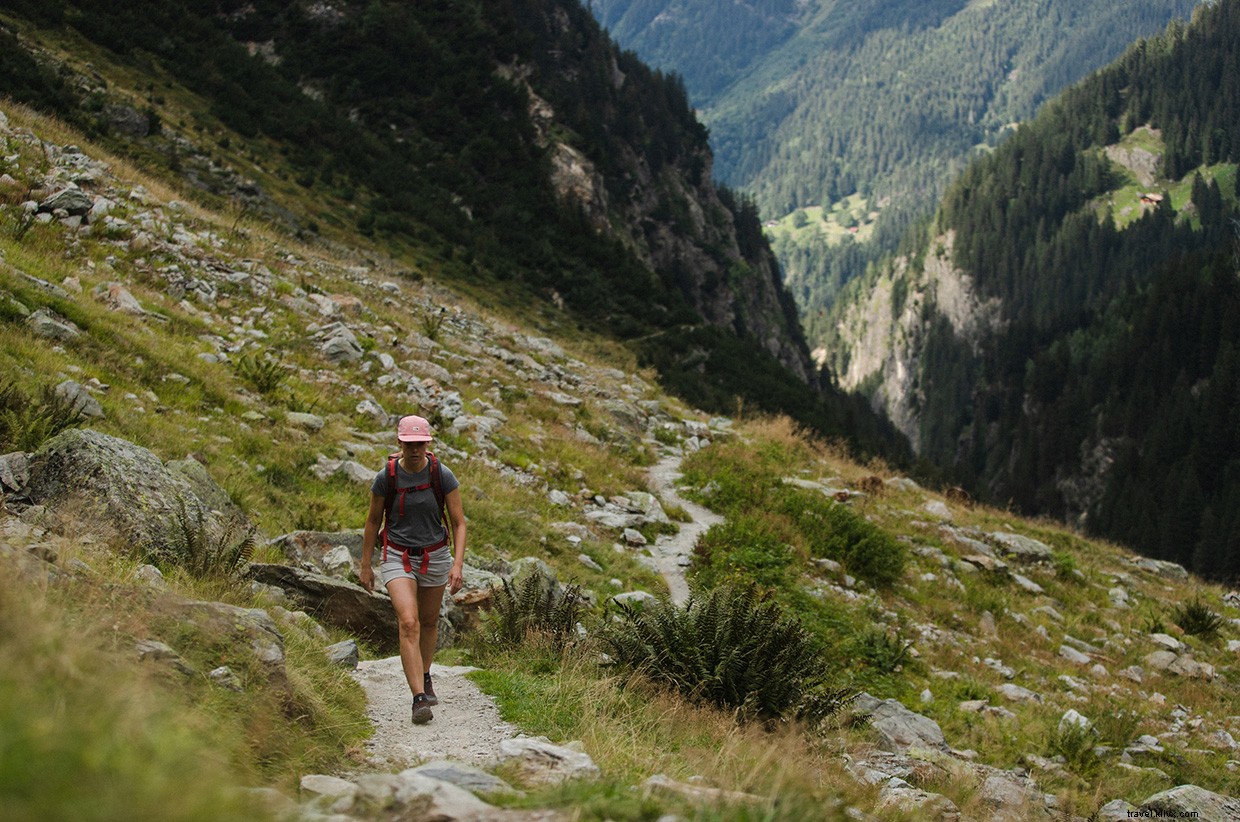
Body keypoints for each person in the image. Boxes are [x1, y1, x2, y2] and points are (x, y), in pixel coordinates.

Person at [360, 414, 466, 724]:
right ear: (400, 443)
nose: (415, 449)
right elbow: (372, 521)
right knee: (409, 621)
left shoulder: (442, 475)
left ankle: (425, 672)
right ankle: (419, 698)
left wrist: (457, 564)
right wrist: (365, 564)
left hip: (435, 556)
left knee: (430, 622)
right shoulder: (386, 478)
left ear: (428, 443)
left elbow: (459, 523)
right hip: (397, 556)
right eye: (409, 444)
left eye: (420, 443)